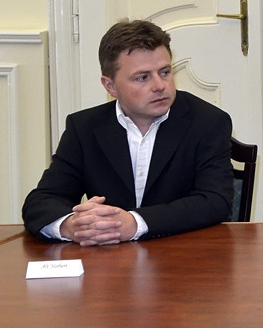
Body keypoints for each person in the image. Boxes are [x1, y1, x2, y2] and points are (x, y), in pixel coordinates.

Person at [23, 20, 234, 245]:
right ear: (110, 86)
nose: (159, 85)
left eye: (164, 72)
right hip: (107, 258)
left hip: (183, 252)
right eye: (143, 77)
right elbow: (42, 200)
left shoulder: (208, 122)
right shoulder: (84, 128)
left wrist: (135, 223)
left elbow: (216, 201)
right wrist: (72, 226)